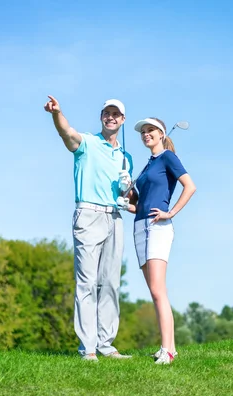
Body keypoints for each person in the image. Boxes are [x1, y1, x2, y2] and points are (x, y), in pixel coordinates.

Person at [44, 95, 133, 361]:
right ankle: (89, 348)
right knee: (87, 283)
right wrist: (56, 114)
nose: (110, 117)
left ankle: (106, 344)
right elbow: (66, 133)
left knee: (110, 283)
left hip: (115, 218)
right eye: (106, 113)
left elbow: (129, 201)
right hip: (88, 215)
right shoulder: (88, 143)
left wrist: (127, 189)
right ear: (101, 117)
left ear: (122, 120)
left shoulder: (125, 157)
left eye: (115, 114)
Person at [117, 117, 196, 364]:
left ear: (161, 133)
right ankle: (168, 346)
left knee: (158, 290)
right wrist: (127, 196)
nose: (145, 134)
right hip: (139, 227)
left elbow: (190, 186)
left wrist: (170, 212)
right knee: (154, 292)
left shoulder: (167, 158)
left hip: (157, 227)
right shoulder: (148, 164)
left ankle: (168, 351)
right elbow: (139, 204)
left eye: (150, 130)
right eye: (143, 131)